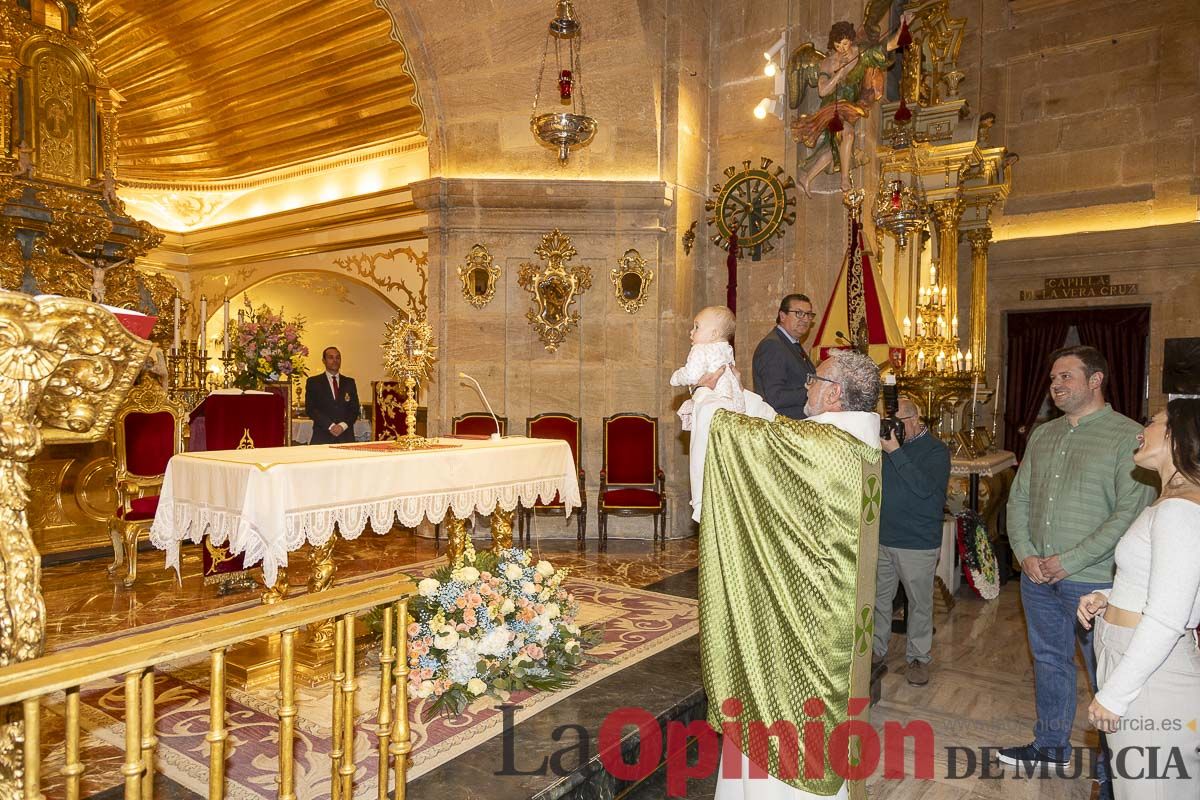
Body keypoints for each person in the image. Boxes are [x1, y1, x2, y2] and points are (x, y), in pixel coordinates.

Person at [694, 350, 882, 799]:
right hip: (833, 610)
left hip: (807, 626)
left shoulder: (823, 447)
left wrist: (708, 395)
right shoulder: (856, 445)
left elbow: (736, 437)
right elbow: (776, 432)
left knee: (789, 708)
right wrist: (740, 394)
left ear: (835, 394)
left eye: (814, 380)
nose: (806, 387)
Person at [1000, 345, 1156, 775]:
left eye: (1066, 376)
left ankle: (1117, 770)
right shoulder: (1043, 434)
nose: (1055, 385)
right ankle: (1050, 746)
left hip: (1096, 584)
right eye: (1053, 378)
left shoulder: (1129, 437)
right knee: (1049, 661)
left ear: (1096, 380)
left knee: (1106, 674)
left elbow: (1129, 514)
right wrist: (1025, 554)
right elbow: (1019, 499)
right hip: (1036, 578)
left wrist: (1068, 561)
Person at [1077, 399, 1200, 799]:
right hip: (1134, 657)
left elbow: (1168, 616)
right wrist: (1107, 596)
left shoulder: (1180, 509)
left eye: (1152, 422)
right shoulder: (1172, 501)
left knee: (1150, 790)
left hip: (1152, 675)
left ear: (1177, 435)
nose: (1140, 430)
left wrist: (1114, 695)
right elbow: (1171, 587)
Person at [872, 396, 950, 687]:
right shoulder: (882, 448)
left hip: (917, 543)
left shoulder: (935, 451)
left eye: (898, 422)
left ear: (916, 420)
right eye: (886, 422)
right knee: (880, 600)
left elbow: (924, 490)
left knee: (919, 604)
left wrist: (895, 452)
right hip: (883, 538)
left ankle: (918, 657)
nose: (891, 428)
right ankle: (877, 651)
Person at [793, 16, 911, 196]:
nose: (841, 49)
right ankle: (844, 179)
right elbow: (823, 91)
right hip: (832, 108)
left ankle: (806, 178)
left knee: (834, 148)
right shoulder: (828, 62)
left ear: (851, 41)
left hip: (850, 108)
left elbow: (888, 46)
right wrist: (837, 77)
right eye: (838, 46)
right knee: (847, 134)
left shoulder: (862, 53)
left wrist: (903, 26)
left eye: (845, 44)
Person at [671, 305, 745, 432]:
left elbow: (691, 375)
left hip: (712, 405)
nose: (691, 331)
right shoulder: (727, 350)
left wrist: (676, 377)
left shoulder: (700, 349)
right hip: (734, 405)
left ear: (713, 334)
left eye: (697, 327)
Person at [751, 294, 816, 421]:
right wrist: (813, 392)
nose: (805, 319)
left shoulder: (791, 343)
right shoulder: (773, 346)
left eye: (809, 314)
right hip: (784, 426)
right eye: (799, 313)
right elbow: (775, 397)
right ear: (782, 316)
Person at [304, 346, 359, 444]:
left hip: (345, 437)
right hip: (322, 436)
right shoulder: (314, 382)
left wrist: (342, 426)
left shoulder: (349, 382)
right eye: (331, 357)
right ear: (324, 361)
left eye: (338, 357)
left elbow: (354, 409)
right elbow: (311, 409)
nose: (335, 360)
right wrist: (330, 426)